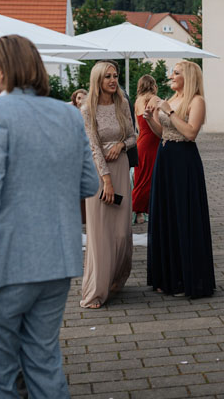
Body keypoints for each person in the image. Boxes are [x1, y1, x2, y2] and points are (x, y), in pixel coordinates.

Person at [0, 34, 98, 398]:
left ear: (3, 71)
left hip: (4, 267)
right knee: (44, 365)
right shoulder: (68, 113)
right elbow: (88, 182)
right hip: (57, 263)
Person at [144, 61, 215, 298]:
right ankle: (168, 275)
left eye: (176, 73)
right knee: (166, 215)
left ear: (189, 77)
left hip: (184, 161)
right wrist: (150, 119)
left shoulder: (196, 101)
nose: (171, 76)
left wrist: (170, 112)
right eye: (172, 73)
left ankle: (187, 278)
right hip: (165, 158)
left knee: (184, 215)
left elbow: (190, 132)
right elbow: (163, 133)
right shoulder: (171, 98)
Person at [80, 62, 137, 309]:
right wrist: (106, 181)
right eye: (108, 77)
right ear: (98, 80)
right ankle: (95, 291)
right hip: (98, 172)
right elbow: (93, 147)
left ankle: (115, 280)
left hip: (121, 167)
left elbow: (134, 136)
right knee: (100, 234)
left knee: (122, 232)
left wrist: (122, 145)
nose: (113, 80)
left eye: (115, 76)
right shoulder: (87, 108)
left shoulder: (122, 103)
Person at [132, 74, 160, 225]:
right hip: (152, 141)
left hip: (141, 142)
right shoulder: (154, 99)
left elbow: (137, 126)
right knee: (152, 177)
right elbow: (155, 123)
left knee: (141, 178)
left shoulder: (137, 101)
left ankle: (138, 212)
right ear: (153, 85)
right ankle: (148, 210)